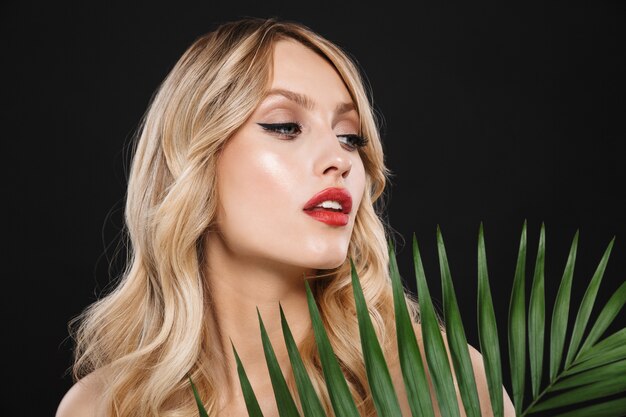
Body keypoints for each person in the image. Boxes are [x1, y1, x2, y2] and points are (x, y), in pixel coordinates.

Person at [56, 17, 514, 417]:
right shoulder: (105, 406)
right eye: (285, 127)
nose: (340, 158)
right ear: (193, 162)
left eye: (351, 136)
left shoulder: (435, 380)